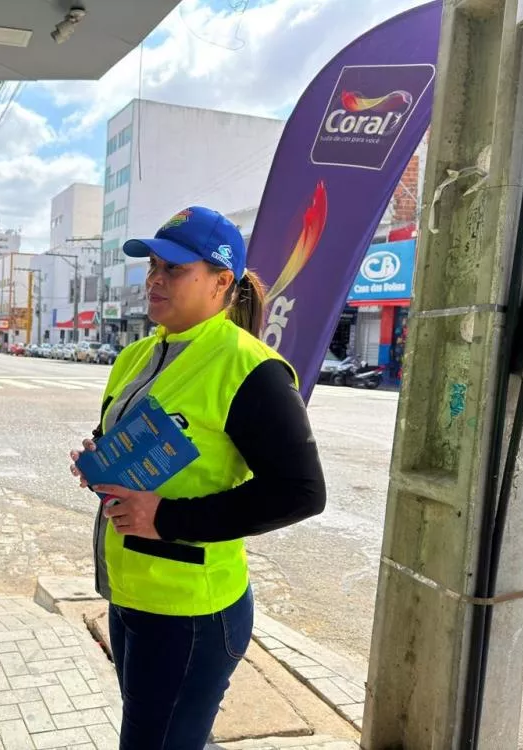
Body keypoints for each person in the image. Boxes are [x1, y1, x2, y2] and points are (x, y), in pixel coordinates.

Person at [70, 206, 326, 750]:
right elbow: (114, 432)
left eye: (175, 270)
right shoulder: (137, 355)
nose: (155, 280)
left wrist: (167, 517)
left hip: (191, 614)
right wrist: (100, 459)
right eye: (152, 267)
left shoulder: (249, 368)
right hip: (130, 595)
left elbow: (302, 492)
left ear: (221, 282)